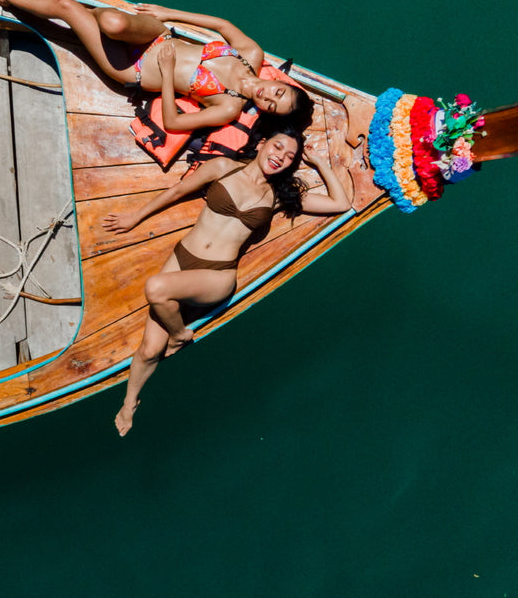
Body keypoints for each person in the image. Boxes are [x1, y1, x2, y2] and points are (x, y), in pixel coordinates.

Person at [100, 126, 349, 436]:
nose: (280, 157)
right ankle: (129, 402)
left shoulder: (277, 197)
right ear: (261, 143)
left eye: (289, 156)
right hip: (182, 257)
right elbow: (177, 191)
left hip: (217, 275)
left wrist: (320, 164)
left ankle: (179, 335)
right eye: (277, 146)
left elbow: (341, 203)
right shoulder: (221, 167)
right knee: (150, 350)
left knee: (155, 288)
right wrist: (135, 217)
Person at [0, 0, 312, 131]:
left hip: (131, 69)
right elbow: (221, 24)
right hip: (157, 37)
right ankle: (82, 30)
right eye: (278, 92)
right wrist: (168, 13)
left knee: (67, 8)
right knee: (114, 25)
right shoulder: (251, 54)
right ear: (278, 84)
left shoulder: (227, 107)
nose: (268, 96)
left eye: (271, 105)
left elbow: (175, 123)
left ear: (266, 113)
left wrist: (165, 76)